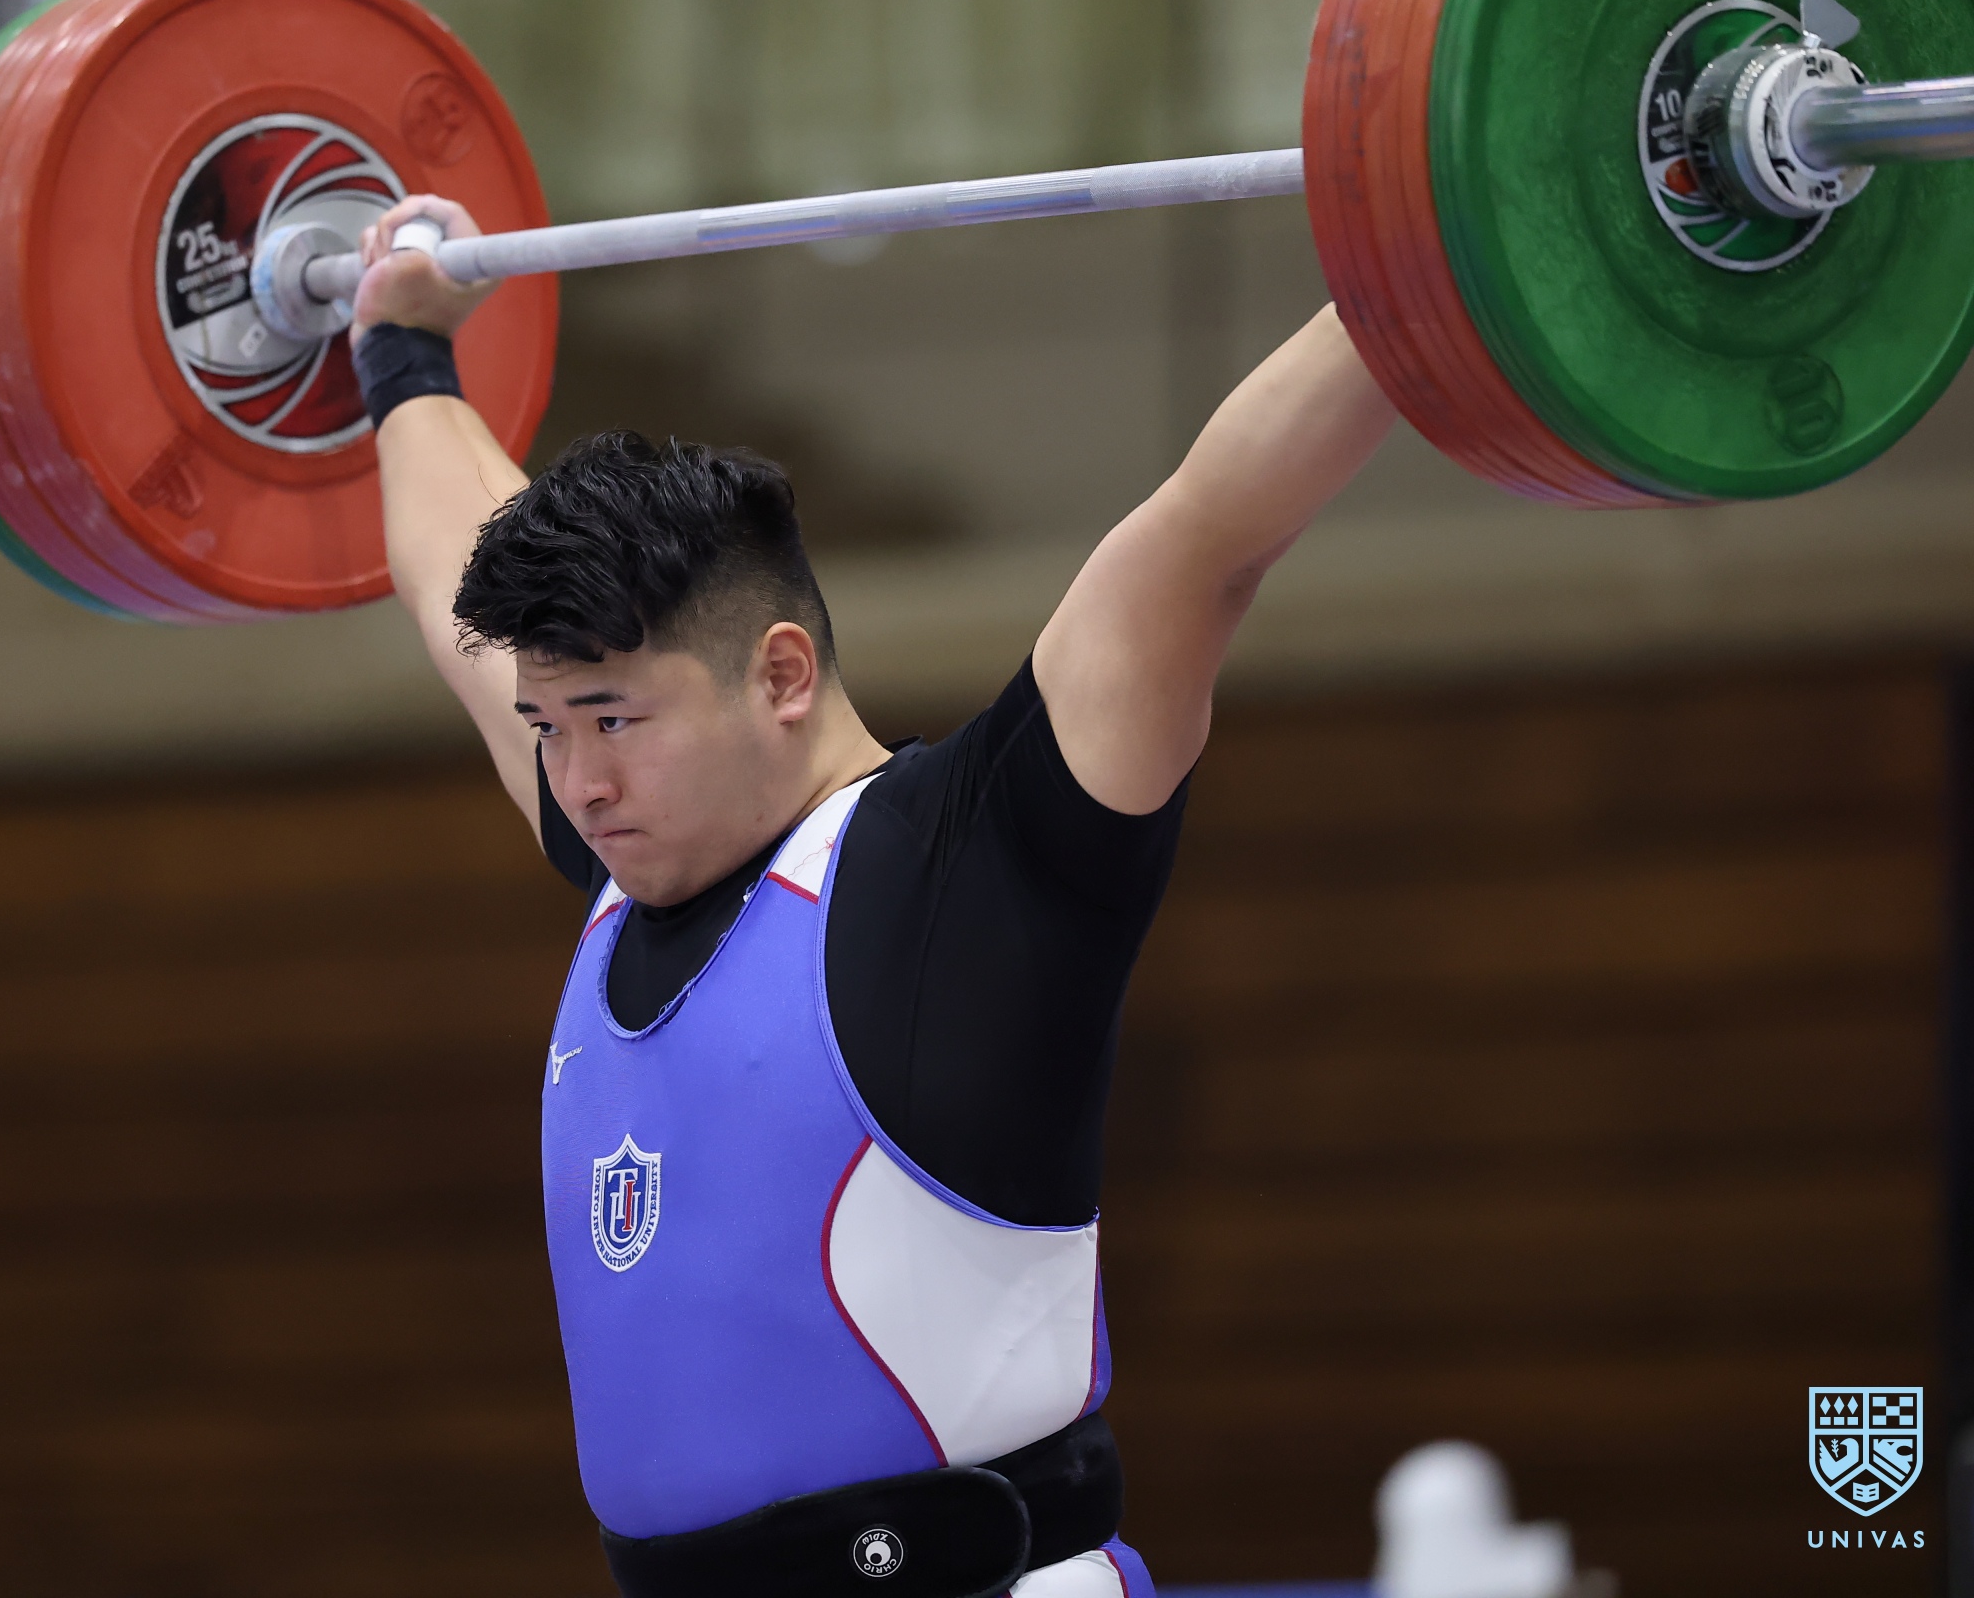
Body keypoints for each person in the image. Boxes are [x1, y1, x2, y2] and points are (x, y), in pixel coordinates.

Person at [348, 193, 1396, 1598]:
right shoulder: (621, 848)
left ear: (781, 675)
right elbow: (448, 575)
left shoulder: (968, 868)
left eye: (612, 721)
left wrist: (1441, 249)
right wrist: (402, 355)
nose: (577, 780)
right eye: (548, 729)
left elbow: (1208, 539)